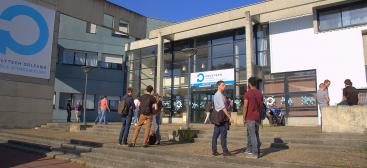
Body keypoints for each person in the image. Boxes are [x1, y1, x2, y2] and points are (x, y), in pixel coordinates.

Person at [212, 80, 234, 156]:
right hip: (222, 118)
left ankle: (214, 150)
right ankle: (225, 151)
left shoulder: (217, 95)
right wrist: (229, 117)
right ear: (219, 86)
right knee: (223, 135)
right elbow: (223, 107)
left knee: (215, 135)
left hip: (218, 118)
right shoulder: (219, 95)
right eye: (223, 85)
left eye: (224, 85)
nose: (224, 86)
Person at [243, 77, 263, 159]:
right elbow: (261, 107)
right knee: (256, 135)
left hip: (250, 117)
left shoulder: (248, 93)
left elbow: (245, 106)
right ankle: (254, 151)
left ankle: (255, 153)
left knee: (252, 135)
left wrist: (244, 117)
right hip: (257, 117)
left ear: (250, 83)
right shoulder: (260, 93)